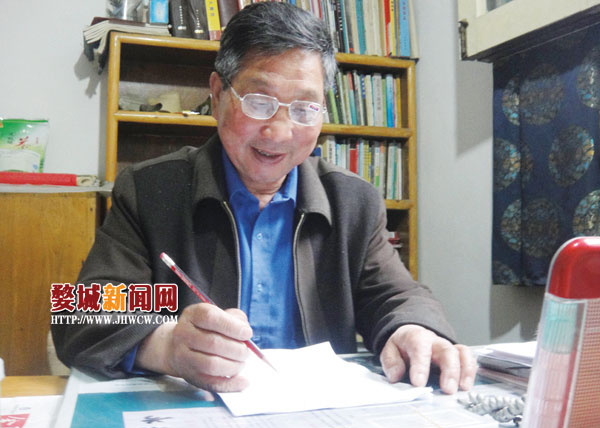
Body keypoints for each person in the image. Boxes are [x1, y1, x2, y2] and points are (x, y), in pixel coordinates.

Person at [52, 2, 476, 395]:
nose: (279, 131)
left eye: (305, 109)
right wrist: (166, 346)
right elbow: (80, 309)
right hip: (192, 419)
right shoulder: (152, 192)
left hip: (317, 417)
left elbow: (394, 296)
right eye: (258, 102)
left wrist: (413, 329)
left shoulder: (351, 202)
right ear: (217, 94)